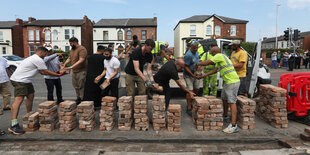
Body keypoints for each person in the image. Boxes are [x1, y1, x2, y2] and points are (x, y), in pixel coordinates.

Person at [9, 47, 61, 135]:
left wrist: (57, 73)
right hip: (20, 80)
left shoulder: (34, 58)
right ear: (41, 52)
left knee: (30, 95)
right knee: (19, 99)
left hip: (26, 80)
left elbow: (41, 72)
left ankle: (29, 115)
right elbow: (44, 72)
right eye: (45, 53)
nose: (46, 55)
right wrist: (58, 74)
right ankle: (13, 125)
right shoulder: (38, 59)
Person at [196, 46, 240, 134]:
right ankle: (226, 116)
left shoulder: (219, 55)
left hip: (232, 82)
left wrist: (198, 64)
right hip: (228, 82)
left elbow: (208, 62)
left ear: (214, 52)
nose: (211, 55)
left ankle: (234, 125)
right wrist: (204, 76)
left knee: (232, 101)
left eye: (212, 53)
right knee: (224, 98)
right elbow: (215, 71)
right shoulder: (221, 58)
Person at [63, 37, 88, 104]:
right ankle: (78, 98)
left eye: (71, 43)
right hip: (74, 71)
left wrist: (71, 66)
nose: (70, 45)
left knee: (81, 85)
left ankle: (82, 99)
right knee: (76, 86)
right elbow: (69, 58)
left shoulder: (82, 49)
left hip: (81, 70)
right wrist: (64, 64)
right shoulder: (72, 49)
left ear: (74, 42)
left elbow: (81, 60)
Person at [183, 41, 202, 116]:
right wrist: (192, 74)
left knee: (197, 89)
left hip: (195, 74)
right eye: (194, 48)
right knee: (190, 91)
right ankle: (188, 107)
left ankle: (192, 102)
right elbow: (185, 66)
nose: (195, 49)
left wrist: (199, 70)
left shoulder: (196, 52)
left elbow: (197, 62)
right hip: (188, 75)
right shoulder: (188, 55)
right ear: (191, 47)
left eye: (197, 48)